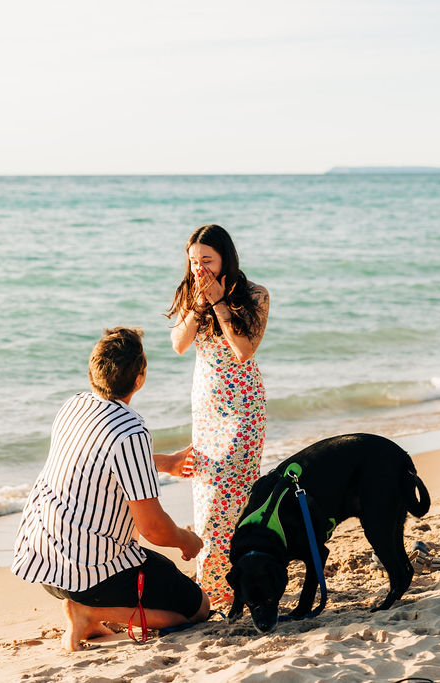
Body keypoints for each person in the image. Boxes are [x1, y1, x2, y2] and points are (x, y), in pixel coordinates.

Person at [11, 327, 210, 651]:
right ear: (140, 377)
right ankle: (89, 613)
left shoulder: (74, 406)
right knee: (197, 608)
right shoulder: (131, 430)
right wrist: (186, 540)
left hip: (44, 560)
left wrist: (165, 462)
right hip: (89, 572)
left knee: (165, 581)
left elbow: (100, 461)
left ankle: (88, 609)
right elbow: (153, 529)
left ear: (93, 371)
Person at [167, 224, 270, 605]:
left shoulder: (255, 295)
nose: (200, 269)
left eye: (207, 260)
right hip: (207, 406)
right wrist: (198, 304)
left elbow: (244, 349)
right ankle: (213, 587)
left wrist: (220, 303)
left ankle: (238, 579)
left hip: (244, 406)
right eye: (194, 261)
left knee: (237, 495)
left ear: (226, 258)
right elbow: (179, 345)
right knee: (208, 493)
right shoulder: (189, 293)